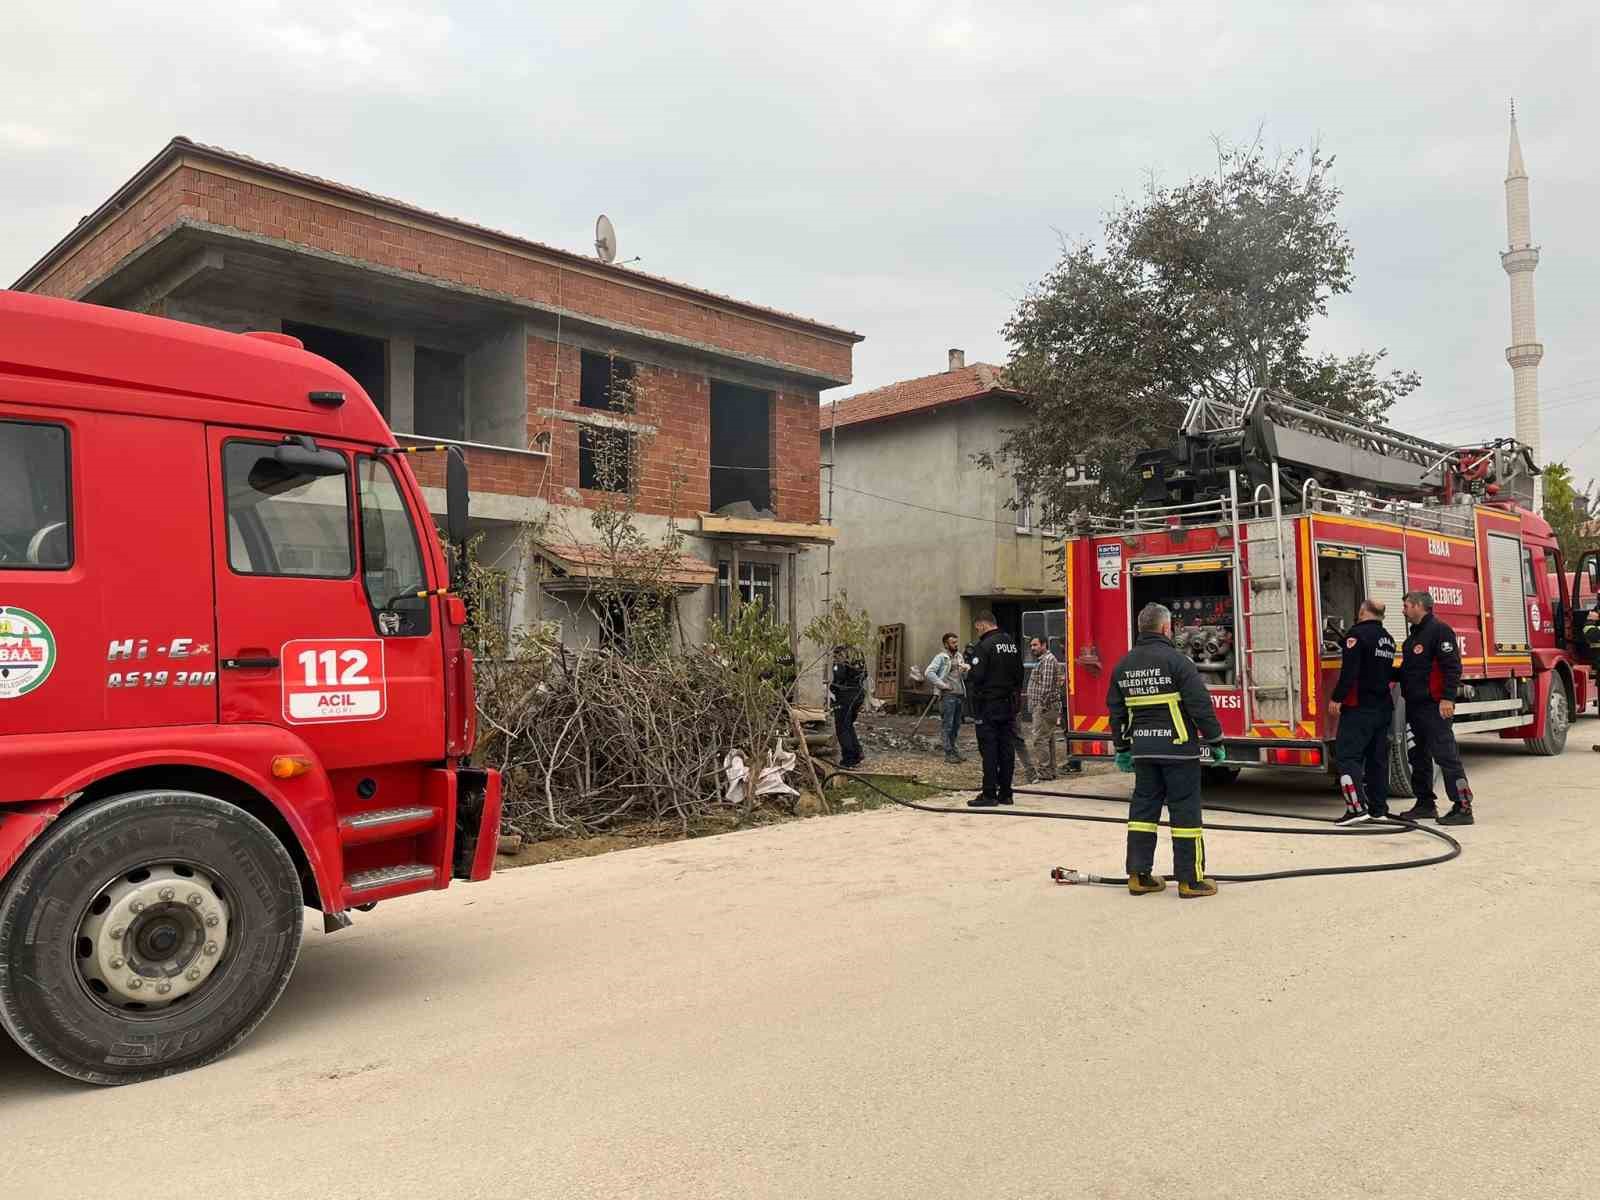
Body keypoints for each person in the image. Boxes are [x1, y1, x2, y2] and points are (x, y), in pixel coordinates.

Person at [1106, 602, 1225, 899]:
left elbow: (1116, 712)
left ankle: (1139, 875)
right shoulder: (1178, 662)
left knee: (1143, 811)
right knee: (1185, 812)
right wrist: (1216, 740)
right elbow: (1200, 706)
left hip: (1143, 752)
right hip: (1178, 750)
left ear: (1140, 629)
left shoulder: (1123, 665)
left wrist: (1122, 748)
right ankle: (1190, 880)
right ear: (1165, 628)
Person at [1396, 590, 1474, 825]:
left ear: (1420, 606)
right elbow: (1408, 673)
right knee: (1418, 756)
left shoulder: (1439, 631)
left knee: (1445, 755)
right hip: (1415, 707)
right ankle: (1425, 804)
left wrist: (1447, 699)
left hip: (1434, 706)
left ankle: (1463, 807)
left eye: (1407, 606)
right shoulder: (1413, 638)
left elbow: (1452, 667)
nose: (1404, 610)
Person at [1328, 598, 1397, 825]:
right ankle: (1379, 809)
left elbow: (1350, 672)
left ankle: (1356, 809)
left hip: (1359, 709)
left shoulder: (1356, 636)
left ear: (1362, 611)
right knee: (1377, 759)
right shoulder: (1388, 640)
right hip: (1383, 708)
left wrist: (1337, 698)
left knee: (1348, 756)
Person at [965, 611, 1024, 807]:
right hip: (1008, 705)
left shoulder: (984, 646)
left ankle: (989, 793)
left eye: (977, 628)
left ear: (982, 625)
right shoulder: (1011, 644)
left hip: (988, 705)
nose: (977, 632)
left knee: (989, 750)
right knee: (1006, 748)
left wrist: (969, 673)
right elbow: (1019, 675)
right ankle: (1006, 793)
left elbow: (977, 676)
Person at [925, 633, 968, 764]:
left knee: (956, 725)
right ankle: (948, 752)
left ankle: (954, 749)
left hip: (959, 694)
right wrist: (942, 685)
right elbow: (929, 672)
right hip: (948, 695)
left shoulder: (959, 656)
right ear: (946, 644)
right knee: (947, 724)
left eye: (956, 642)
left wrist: (965, 670)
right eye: (953, 643)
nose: (956, 645)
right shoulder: (941, 657)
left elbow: (962, 677)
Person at [1026, 637, 1064, 781]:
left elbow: (1046, 687)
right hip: (1045, 707)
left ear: (1044, 645)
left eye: (1035, 645)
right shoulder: (1044, 660)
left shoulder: (1047, 660)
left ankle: (1044, 772)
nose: (1032, 648)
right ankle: (1051, 771)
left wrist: (1041, 705)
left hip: (1045, 707)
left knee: (1040, 740)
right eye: (1031, 645)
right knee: (1048, 739)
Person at [830, 644, 867, 770]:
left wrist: (833, 689)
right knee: (848, 725)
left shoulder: (840, 664)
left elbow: (838, 678)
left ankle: (849, 759)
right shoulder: (858, 660)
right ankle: (857, 753)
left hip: (845, 697)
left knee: (842, 728)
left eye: (835, 656)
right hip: (858, 694)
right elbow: (865, 675)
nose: (834, 658)